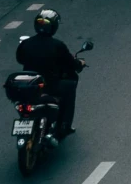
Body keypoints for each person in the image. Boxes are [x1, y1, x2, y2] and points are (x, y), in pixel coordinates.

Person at [15, 7, 84, 138]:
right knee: (71, 86)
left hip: (29, 86)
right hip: (50, 86)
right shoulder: (57, 45)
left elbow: (20, 59)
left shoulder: (26, 43)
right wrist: (80, 63)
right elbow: (71, 63)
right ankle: (65, 125)